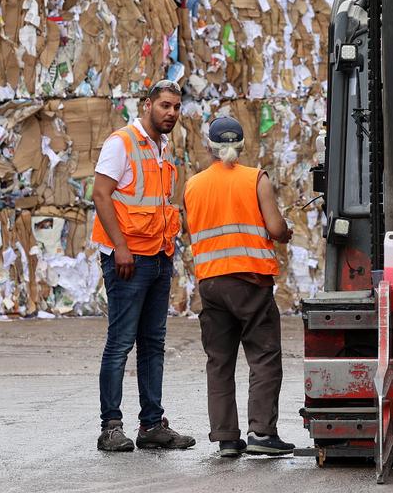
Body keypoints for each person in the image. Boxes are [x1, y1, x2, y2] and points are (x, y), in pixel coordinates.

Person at [91, 79, 195, 453]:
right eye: (165, 105)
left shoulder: (162, 147)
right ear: (147, 104)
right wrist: (120, 246)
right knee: (120, 342)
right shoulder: (122, 142)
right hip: (127, 259)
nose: (171, 113)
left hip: (158, 255)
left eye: (176, 108)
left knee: (153, 343)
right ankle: (111, 427)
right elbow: (100, 194)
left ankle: (152, 425)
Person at [182, 116, 295, 458]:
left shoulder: (193, 185)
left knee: (219, 360)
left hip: (211, 282)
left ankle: (227, 438)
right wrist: (285, 230)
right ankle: (261, 432)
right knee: (263, 356)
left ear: (209, 147)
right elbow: (275, 228)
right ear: (242, 145)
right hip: (249, 280)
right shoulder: (254, 179)